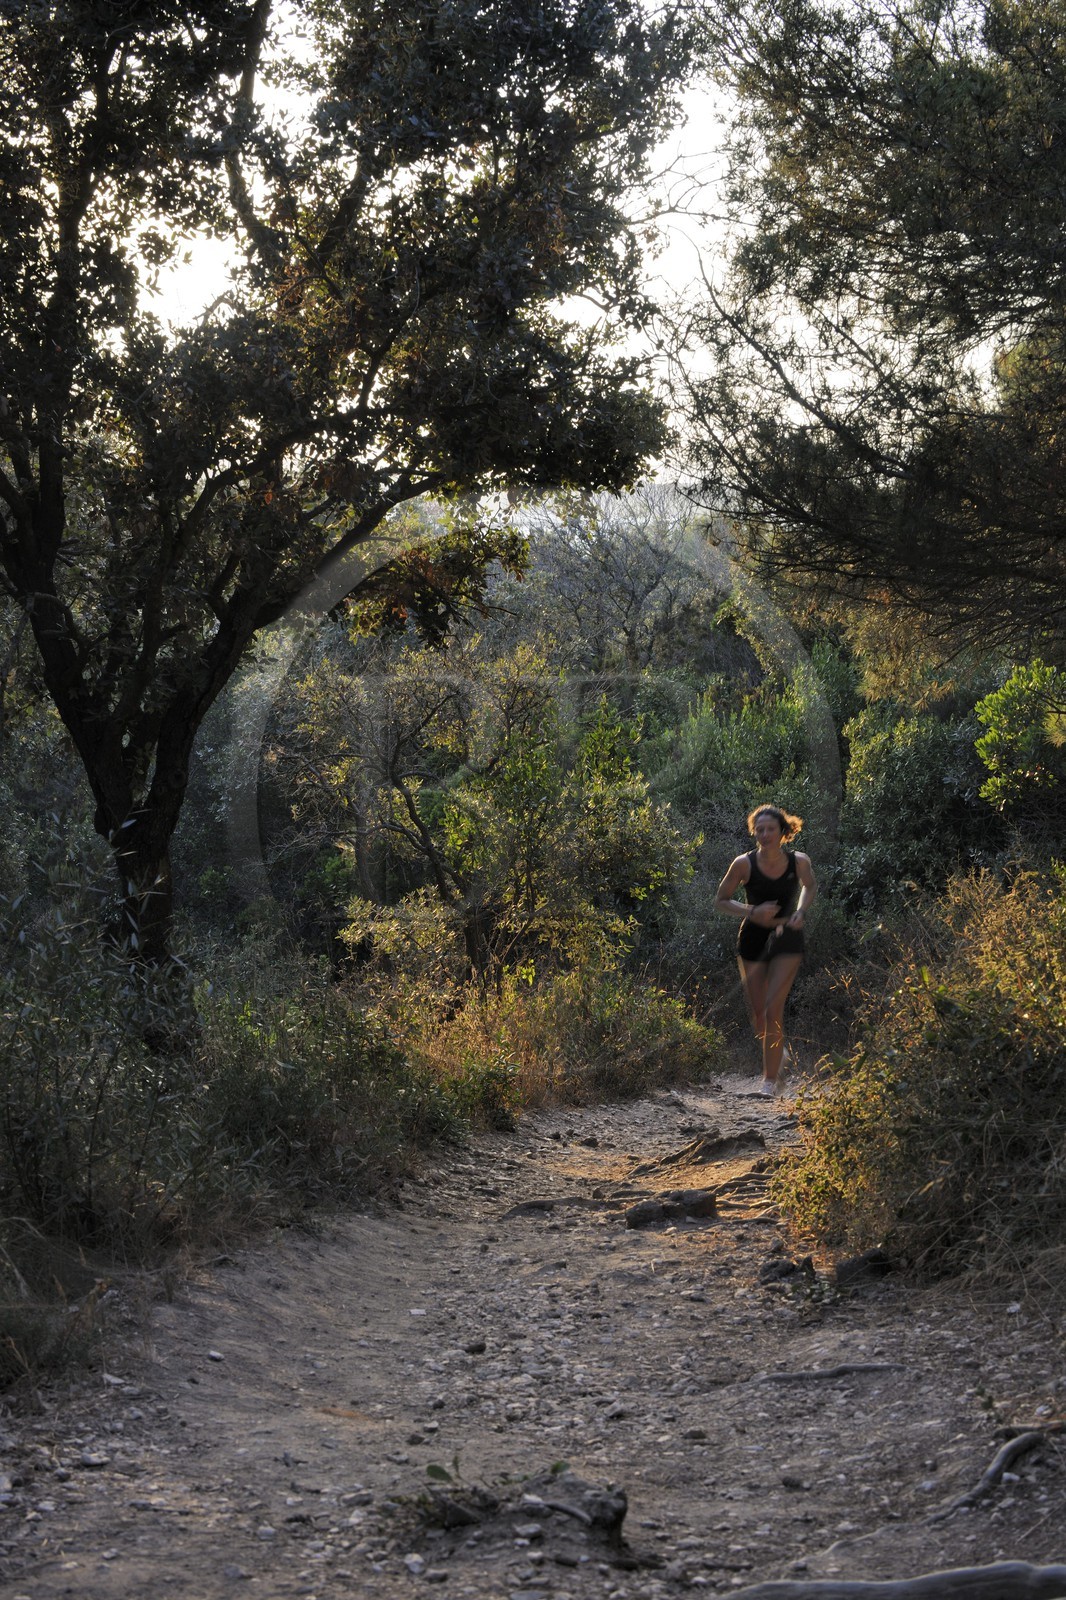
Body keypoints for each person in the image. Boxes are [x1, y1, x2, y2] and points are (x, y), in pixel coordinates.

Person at [714, 805, 817, 1098]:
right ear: (754, 832)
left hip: (788, 936)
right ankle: (777, 1052)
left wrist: (800, 911)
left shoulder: (799, 862)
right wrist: (752, 910)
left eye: (771, 829)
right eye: (759, 829)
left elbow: (810, 887)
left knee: (774, 1009)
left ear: (783, 832)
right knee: (760, 1015)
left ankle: (770, 1081)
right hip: (752, 938)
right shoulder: (743, 864)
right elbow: (721, 900)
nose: (765, 834)